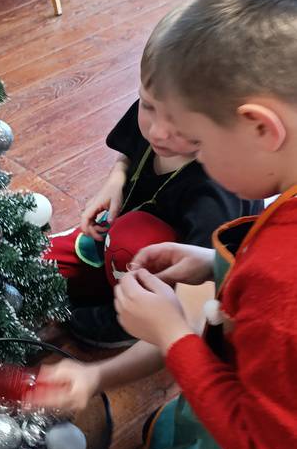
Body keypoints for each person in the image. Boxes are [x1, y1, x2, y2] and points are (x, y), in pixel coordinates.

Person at [38, 0, 297, 449]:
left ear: (261, 128)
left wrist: (174, 337)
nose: (188, 152)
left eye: (200, 143)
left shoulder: (282, 288)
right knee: (159, 437)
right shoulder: (281, 216)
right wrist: (210, 261)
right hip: (263, 403)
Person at [45, 45, 260, 348]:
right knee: (44, 259)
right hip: (114, 230)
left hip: (158, 263)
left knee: (133, 236)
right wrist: (116, 180)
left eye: (180, 124)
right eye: (147, 105)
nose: (157, 132)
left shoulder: (215, 194)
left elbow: (198, 284)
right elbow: (127, 153)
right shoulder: (157, 110)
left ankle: (126, 321)